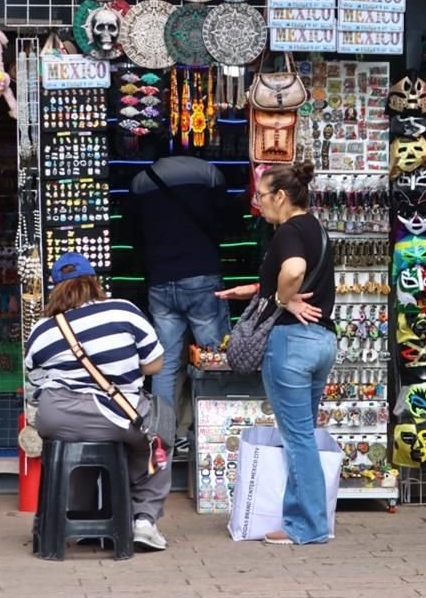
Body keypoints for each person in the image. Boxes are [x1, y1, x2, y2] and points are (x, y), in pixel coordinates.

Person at [217, 162, 337, 545]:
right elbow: (297, 275)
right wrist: (257, 290)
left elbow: (294, 271)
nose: (258, 204)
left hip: (292, 344)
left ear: (281, 197)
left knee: (297, 438)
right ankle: (310, 519)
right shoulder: (314, 227)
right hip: (321, 341)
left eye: (262, 196)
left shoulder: (287, 231)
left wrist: (285, 299)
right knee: (303, 434)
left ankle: (307, 526)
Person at [24, 252, 170, 551]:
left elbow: (35, 380)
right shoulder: (123, 311)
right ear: (94, 281)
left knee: (77, 445)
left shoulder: (42, 328)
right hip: (114, 416)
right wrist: (121, 370)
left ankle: (78, 515)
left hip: (57, 417)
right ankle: (143, 520)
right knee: (159, 436)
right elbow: (155, 365)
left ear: (56, 289)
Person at [128, 155, 243, 451]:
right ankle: (216, 433)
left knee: (164, 363)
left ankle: (164, 437)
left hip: (161, 280)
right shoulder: (210, 173)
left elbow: (134, 236)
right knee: (213, 358)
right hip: (202, 275)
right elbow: (227, 220)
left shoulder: (142, 180)